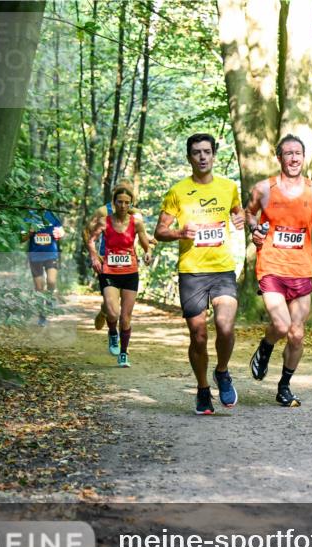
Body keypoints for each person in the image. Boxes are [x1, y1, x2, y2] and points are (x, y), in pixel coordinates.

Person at [154, 133, 246, 414]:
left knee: (226, 326)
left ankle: (222, 371)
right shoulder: (177, 192)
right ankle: (203, 388)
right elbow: (159, 231)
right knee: (198, 337)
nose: (203, 157)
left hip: (222, 269)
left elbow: (238, 213)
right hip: (192, 272)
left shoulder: (229, 187)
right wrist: (179, 232)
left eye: (207, 151)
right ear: (189, 157)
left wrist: (241, 217)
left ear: (214, 155)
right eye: (197, 152)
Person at [246, 134, 312, 407]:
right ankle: (266, 346)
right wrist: (254, 230)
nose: (294, 158)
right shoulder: (264, 189)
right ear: (279, 157)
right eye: (288, 153)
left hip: (301, 270)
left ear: (303, 157)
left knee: (297, 334)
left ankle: (284, 386)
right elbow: (250, 214)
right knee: (282, 325)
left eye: (298, 153)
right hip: (271, 266)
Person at [87, 186, 152, 367]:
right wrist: (94, 256)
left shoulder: (136, 223)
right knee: (113, 312)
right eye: (119, 202)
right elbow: (91, 240)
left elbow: (145, 243)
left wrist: (147, 252)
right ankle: (112, 333)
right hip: (109, 272)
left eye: (126, 202)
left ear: (131, 203)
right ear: (114, 203)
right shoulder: (104, 222)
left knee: (125, 317)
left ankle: (123, 354)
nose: (123, 205)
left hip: (130, 272)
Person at [21, 208, 65, 327]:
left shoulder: (51, 214)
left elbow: (61, 231)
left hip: (51, 254)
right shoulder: (28, 216)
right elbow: (21, 238)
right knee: (39, 288)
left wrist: (60, 233)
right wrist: (28, 233)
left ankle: (49, 300)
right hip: (35, 256)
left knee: (51, 281)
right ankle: (42, 315)